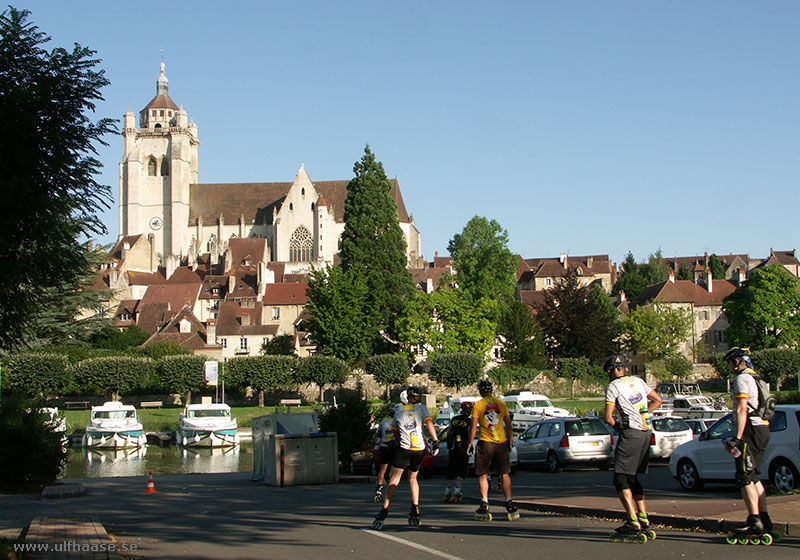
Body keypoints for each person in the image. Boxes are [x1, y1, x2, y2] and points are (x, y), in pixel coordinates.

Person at [603, 355, 661, 539]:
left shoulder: (613, 386)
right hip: (646, 431)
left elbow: (608, 418)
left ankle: (632, 520)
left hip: (631, 433)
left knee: (620, 479)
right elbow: (657, 400)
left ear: (611, 371)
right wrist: (644, 413)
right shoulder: (638, 380)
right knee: (632, 477)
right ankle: (643, 517)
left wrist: (619, 427)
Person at [372, 386, 440, 529]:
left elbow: (395, 430)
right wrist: (435, 441)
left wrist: (398, 442)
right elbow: (429, 424)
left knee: (394, 479)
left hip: (404, 448)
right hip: (419, 448)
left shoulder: (398, 410)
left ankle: (384, 510)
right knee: (413, 478)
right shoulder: (422, 409)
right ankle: (415, 508)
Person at [724, 347, 772, 537]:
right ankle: (764, 518)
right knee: (754, 476)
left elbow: (741, 409)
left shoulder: (741, 379)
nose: (728, 366)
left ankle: (754, 520)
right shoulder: (757, 377)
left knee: (744, 476)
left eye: (729, 362)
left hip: (750, 429)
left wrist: (737, 437)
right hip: (763, 428)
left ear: (736, 362)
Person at [467, 379, 519, 521]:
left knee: (483, 474)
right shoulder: (502, 404)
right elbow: (508, 424)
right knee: (504, 474)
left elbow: (473, 426)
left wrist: (470, 443)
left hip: (485, 442)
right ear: (492, 390)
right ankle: (509, 502)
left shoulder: (478, 404)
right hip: (501, 442)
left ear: (480, 391)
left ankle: (484, 502)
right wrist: (510, 440)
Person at [443, 400, 473, 502]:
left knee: (451, 467)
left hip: (453, 446)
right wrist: (470, 444)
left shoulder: (454, 419)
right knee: (462, 469)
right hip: (463, 447)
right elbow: (469, 432)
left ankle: (447, 491)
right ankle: (457, 490)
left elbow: (449, 432)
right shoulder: (469, 421)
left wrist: (449, 442)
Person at [373, 403, 399, 503]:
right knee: (393, 470)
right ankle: (390, 489)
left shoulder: (383, 422)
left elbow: (378, 435)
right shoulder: (397, 422)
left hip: (384, 446)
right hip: (394, 447)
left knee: (382, 469)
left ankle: (379, 489)